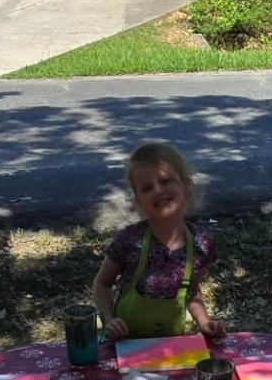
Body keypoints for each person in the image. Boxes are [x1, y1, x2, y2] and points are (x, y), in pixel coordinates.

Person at [91, 142, 227, 342]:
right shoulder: (129, 240)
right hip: (124, 346)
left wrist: (205, 322)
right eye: (147, 188)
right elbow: (102, 283)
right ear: (138, 200)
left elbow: (191, 292)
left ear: (186, 185)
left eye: (165, 181)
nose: (157, 190)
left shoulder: (201, 244)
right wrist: (108, 320)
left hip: (169, 350)